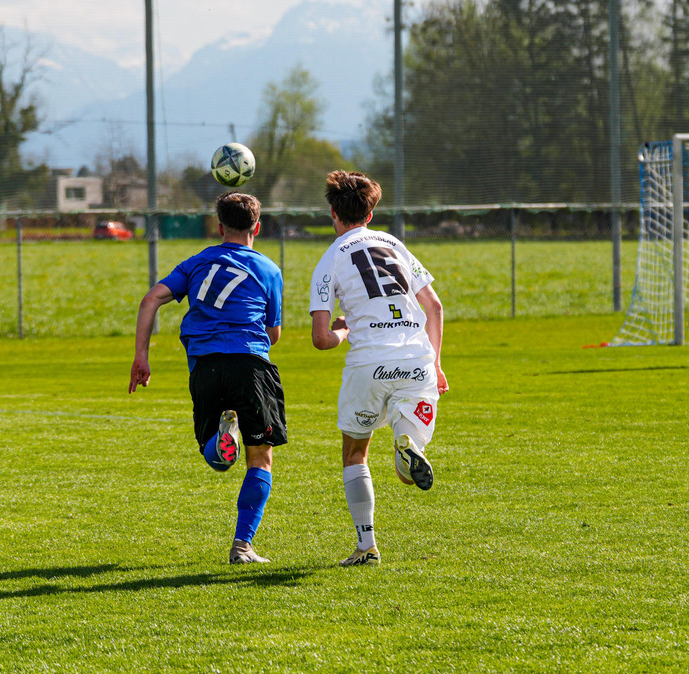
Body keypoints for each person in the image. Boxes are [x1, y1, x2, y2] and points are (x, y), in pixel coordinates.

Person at [129, 191, 286, 564]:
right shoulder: (268, 269)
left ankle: (221, 437)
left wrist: (141, 357)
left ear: (219, 227)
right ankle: (242, 546)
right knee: (260, 456)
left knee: (215, 457)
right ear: (257, 228)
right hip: (249, 363)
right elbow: (274, 333)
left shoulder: (196, 262)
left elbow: (150, 300)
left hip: (204, 366)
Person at [310, 170, 449, 567]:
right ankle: (407, 443)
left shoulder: (329, 260)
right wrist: (436, 363)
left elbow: (321, 339)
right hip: (416, 357)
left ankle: (366, 546)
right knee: (405, 471)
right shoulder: (394, 244)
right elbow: (435, 307)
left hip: (368, 363)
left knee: (355, 452)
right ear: (370, 214)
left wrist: (344, 329)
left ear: (333, 214)